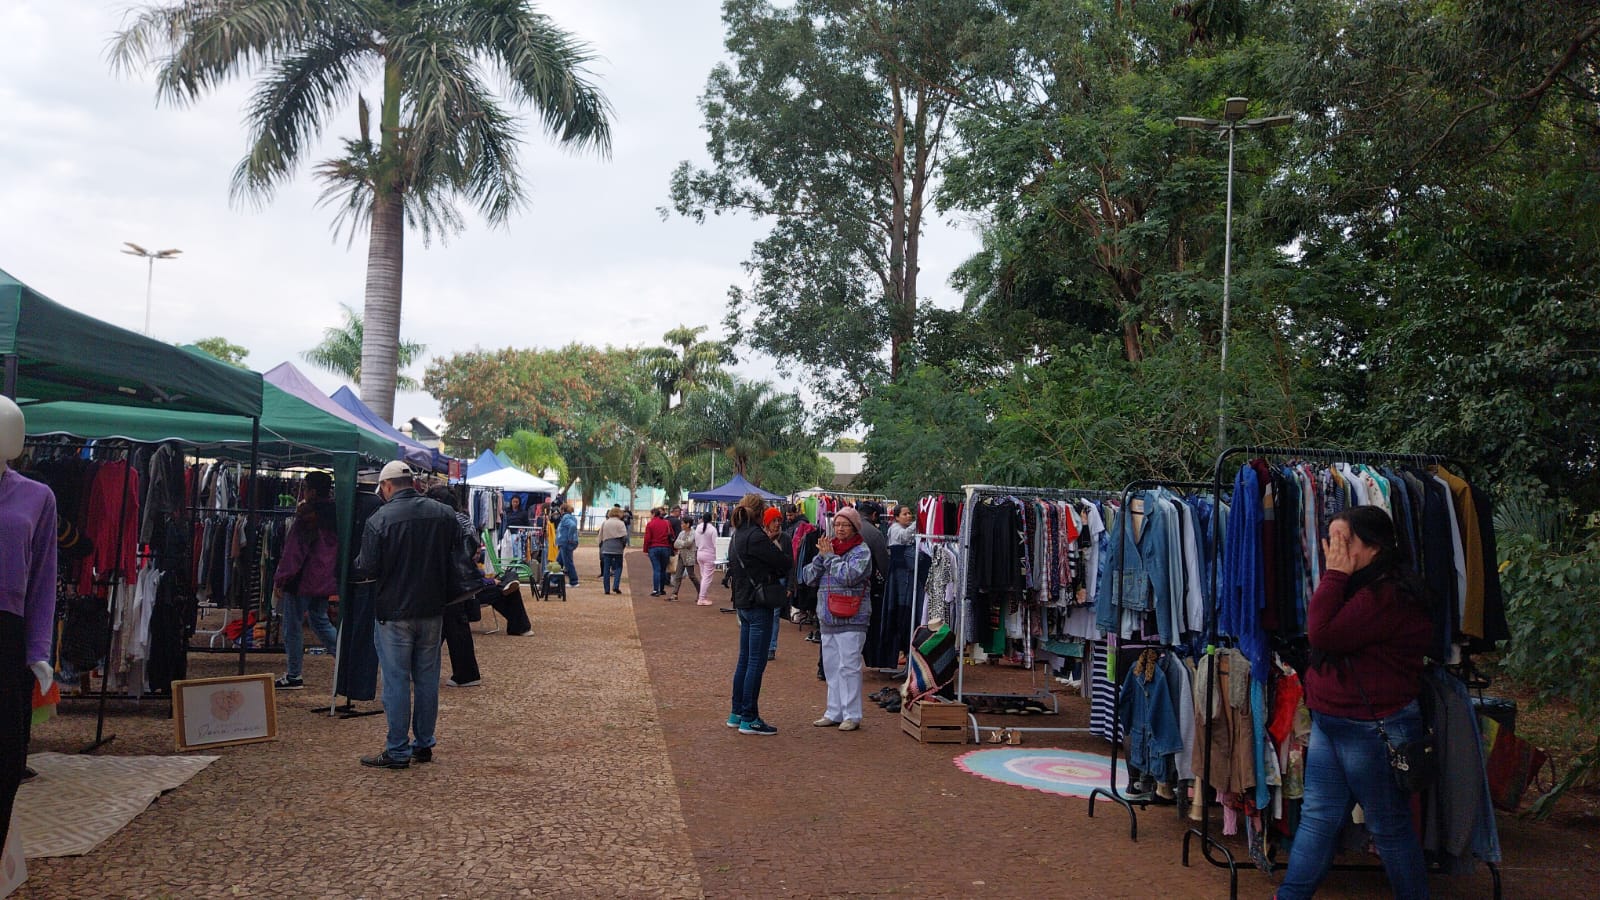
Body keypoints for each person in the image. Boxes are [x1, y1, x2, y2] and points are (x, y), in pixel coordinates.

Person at [1277, 506, 1434, 900]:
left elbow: (1323, 634)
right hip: (1335, 721)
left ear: (1375, 547)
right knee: (1318, 820)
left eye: (1345, 540)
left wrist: (1333, 576)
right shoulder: (1357, 587)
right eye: (1332, 539)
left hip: (1374, 726)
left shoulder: (1389, 595)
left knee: (1389, 827)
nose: (1335, 549)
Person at [353, 461, 460, 770]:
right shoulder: (443, 513)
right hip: (433, 608)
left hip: (394, 611)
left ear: (386, 486)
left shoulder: (380, 519)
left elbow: (367, 567)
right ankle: (424, 744)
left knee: (397, 680)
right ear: (412, 482)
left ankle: (397, 749)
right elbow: (461, 550)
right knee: (426, 679)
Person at [726, 494, 791, 735]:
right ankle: (750, 717)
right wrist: (773, 545)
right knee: (756, 661)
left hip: (743, 601)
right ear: (760, 511)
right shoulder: (755, 536)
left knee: (744, 659)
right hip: (757, 603)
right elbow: (783, 563)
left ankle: (737, 712)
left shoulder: (737, 536)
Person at [804, 505, 874, 731]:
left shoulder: (861, 551)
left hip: (853, 618)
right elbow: (807, 578)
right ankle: (833, 711)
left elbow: (849, 576)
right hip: (827, 618)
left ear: (854, 527)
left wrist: (829, 558)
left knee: (849, 666)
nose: (840, 528)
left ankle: (852, 714)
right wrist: (820, 558)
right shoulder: (828, 549)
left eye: (845, 524)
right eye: (837, 524)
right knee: (832, 666)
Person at [272, 472, 340, 690]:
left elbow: (295, 551)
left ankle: (294, 675)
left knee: (292, 626)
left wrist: (282, 578)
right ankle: (344, 661)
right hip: (324, 579)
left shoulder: (307, 516)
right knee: (320, 620)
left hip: (302, 579)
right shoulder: (337, 514)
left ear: (311, 490)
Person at [426, 485, 482, 687]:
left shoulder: (442, 521)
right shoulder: (463, 519)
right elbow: (474, 546)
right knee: (454, 624)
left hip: (445, 579)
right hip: (462, 580)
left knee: (450, 624)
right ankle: (466, 672)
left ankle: (465, 673)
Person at [642, 507, 674, 597]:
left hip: (654, 548)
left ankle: (656, 590)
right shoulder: (667, 523)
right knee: (663, 569)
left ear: (653, 514)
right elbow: (672, 535)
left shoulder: (650, 524)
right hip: (666, 548)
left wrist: (645, 550)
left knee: (656, 569)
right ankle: (662, 589)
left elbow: (647, 538)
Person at [598, 507, 629, 595]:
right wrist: (623, 545)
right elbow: (624, 537)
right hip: (617, 547)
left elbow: (600, 536)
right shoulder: (621, 523)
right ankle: (616, 586)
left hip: (606, 547)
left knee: (606, 568)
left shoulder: (605, 523)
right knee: (618, 567)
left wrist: (601, 546)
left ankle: (606, 589)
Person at [693, 512, 718, 606]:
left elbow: (696, 542)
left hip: (700, 553)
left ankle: (703, 596)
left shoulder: (698, 528)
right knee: (707, 578)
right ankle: (702, 598)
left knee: (704, 576)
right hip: (709, 555)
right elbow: (715, 544)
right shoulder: (712, 529)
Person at [670, 517, 698, 601]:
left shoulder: (693, 533)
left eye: (683, 523)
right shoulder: (682, 533)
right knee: (678, 576)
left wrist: (681, 543)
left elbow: (689, 543)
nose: (681, 525)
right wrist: (683, 544)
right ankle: (674, 594)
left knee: (692, 576)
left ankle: (700, 592)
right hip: (681, 556)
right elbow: (675, 544)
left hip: (689, 557)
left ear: (688, 524)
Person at [555, 501, 580, 587]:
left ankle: (574, 581)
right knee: (559, 562)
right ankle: (554, 580)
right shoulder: (571, 517)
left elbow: (572, 526)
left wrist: (569, 537)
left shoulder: (566, 518)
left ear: (562, 510)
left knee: (568, 562)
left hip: (565, 543)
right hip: (565, 543)